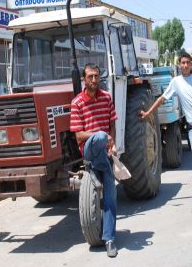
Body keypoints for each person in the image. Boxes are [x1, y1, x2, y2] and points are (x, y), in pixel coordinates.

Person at [140, 52, 192, 209]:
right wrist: (148, 112)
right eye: (182, 63)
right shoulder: (176, 82)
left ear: (191, 64)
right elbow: (162, 98)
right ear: (179, 65)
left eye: (188, 62)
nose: (185, 65)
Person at [70, 63, 118, 257]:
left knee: (111, 197)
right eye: (90, 76)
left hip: (104, 156)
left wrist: (112, 142)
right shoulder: (77, 102)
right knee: (98, 136)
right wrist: (103, 137)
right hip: (89, 149)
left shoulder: (106, 97)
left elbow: (112, 123)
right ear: (84, 79)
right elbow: (79, 136)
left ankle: (109, 239)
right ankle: (100, 166)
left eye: (97, 76)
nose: (94, 80)